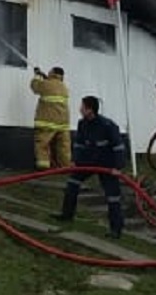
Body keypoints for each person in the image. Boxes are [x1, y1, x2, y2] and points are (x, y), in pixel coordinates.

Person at [52, 96, 127, 239]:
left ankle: (116, 229)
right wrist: (75, 161)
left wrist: (118, 167)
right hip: (88, 161)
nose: (80, 109)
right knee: (72, 184)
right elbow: (79, 144)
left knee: (113, 197)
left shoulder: (108, 126)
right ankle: (67, 215)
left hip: (107, 164)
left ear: (89, 110)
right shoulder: (82, 124)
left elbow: (119, 147)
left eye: (82, 106)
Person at [30, 66, 71, 169]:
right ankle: (65, 166)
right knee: (64, 147)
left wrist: (37, 76)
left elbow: (35, 87)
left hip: (47, 122)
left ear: (52, 73)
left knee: (42, 144)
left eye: (49, 72)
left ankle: (43, 166)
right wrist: (45, 78)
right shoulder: (64, 87)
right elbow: (50, 89)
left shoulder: (46, 84)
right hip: (63, 123)